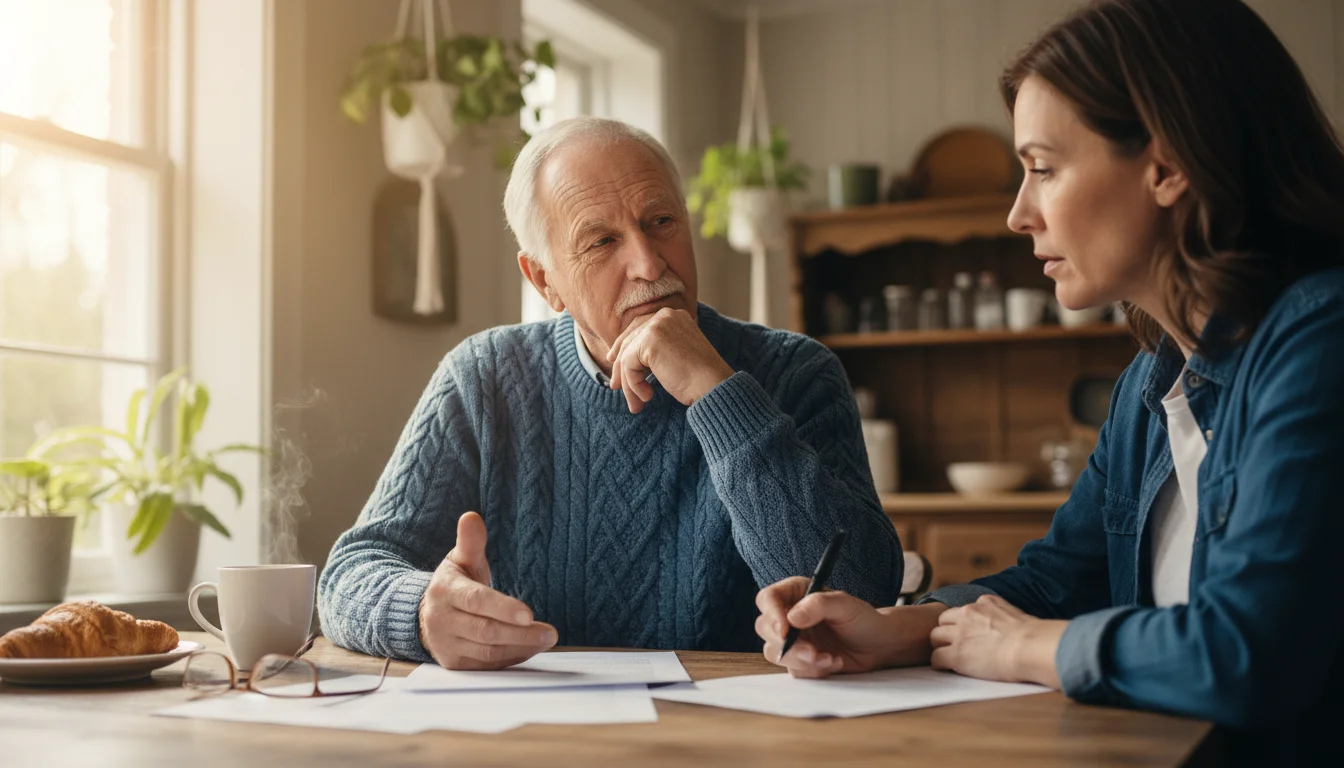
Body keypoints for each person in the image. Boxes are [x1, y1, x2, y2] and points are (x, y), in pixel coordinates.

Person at [754, 0, 1344, 762]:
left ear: (1168, 165)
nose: (1017, 213)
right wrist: (892, 627)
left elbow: (1248, 656)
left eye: (1042, 169)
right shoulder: (1150, 386)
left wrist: (1032, 649)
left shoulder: (1319, 338)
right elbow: (1057, 581)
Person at [319, 117, 904, 671]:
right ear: (544, 280)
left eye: (662, 223)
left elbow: (862, 590)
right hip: (535, 735)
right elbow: (349, 574)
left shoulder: (796, 371)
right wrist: (422, 613)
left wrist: (717, 393)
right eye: (601, 242)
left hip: (738, 733)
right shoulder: (484, 377)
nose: (650, 264)